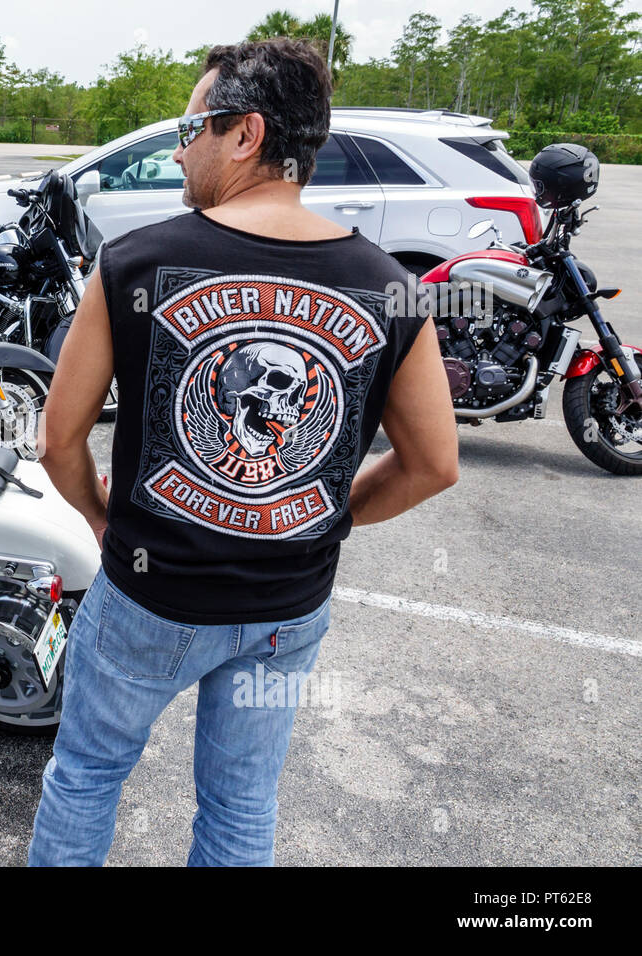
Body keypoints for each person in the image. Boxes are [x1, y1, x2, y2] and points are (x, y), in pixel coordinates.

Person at [28, 38, 459, 866]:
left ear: (246, 134)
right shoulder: (391, 284)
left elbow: (57, 436)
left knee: (86, 776)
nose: (181, 147)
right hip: (287, 608)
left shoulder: (135, 261)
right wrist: (322, 519)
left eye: (191, 127)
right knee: (240, 807)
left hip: (149, 596)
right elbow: (435, 463)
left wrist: (100, 515)